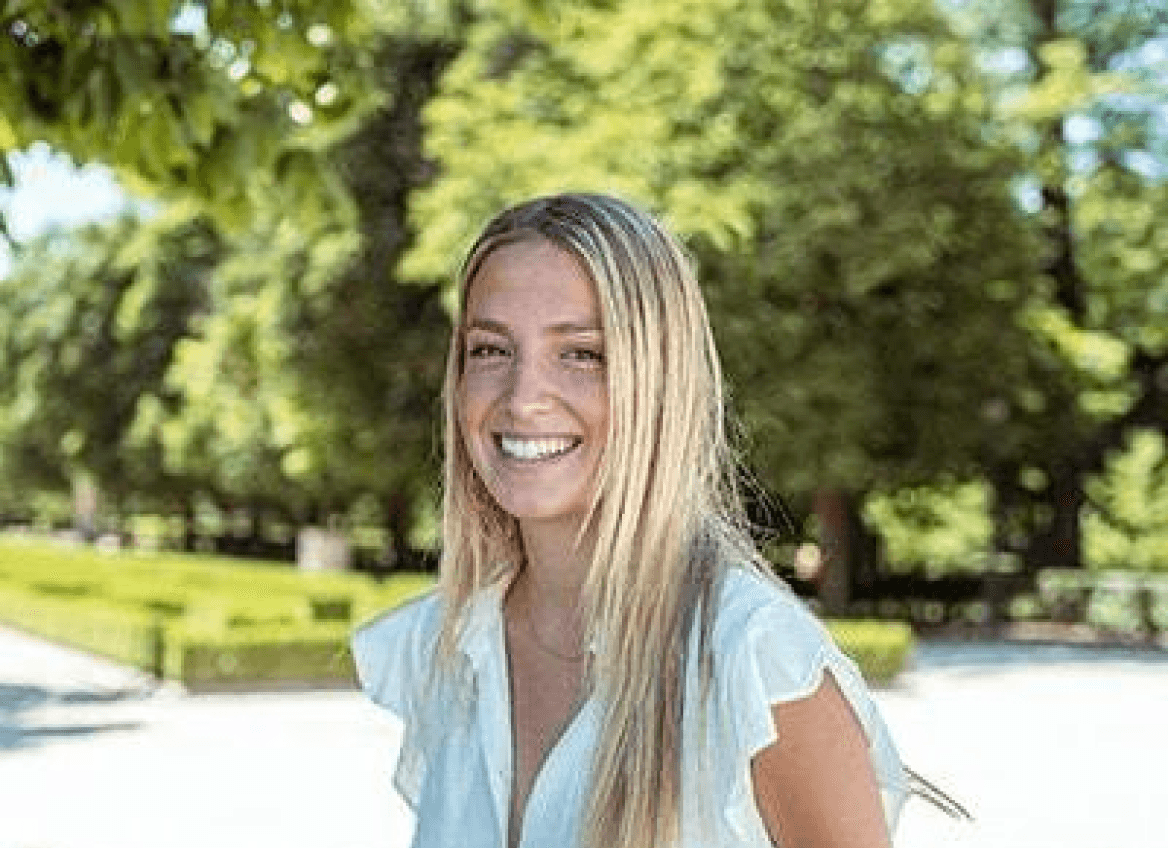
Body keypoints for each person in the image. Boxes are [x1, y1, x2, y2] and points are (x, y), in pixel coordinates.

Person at [353, 193, 919, 848]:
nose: (523, 398)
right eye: (490, 350)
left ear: (659, 380)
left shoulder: (754, 662)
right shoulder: (442, 647)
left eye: (581, 354)